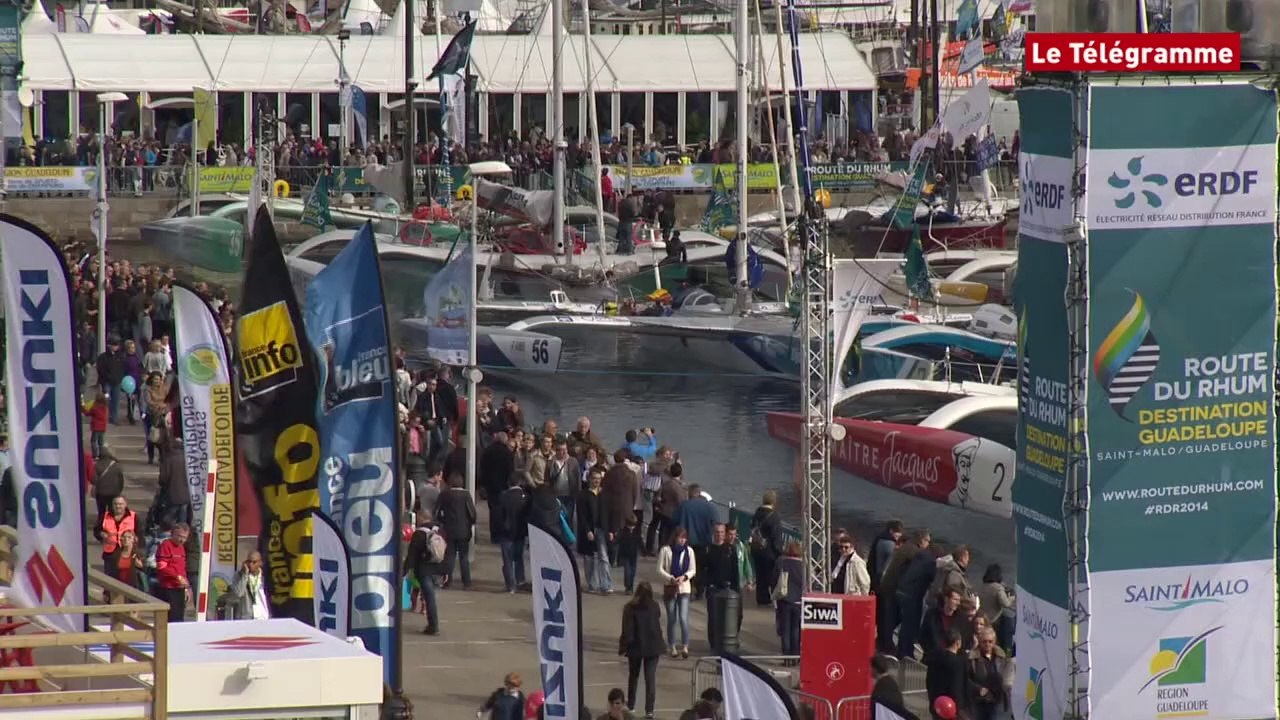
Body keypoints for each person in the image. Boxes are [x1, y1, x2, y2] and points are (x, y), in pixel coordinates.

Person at [879, 529, 931, 654]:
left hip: (889, 587)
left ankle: (885, 645)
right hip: (896, 590)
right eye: (927, 541)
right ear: (921, 540)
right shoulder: (913, 551)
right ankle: (898, 649)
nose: (928, 544)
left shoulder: (905, 547)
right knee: (904, 622)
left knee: (891, 620)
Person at [619, 582, 664, 719]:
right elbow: (657, 619)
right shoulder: (654, 606)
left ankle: (631, 706)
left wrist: (623, 646)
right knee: (650, 679)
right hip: (653, 646)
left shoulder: (629, 608)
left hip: (636, 646)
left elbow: (627, 630)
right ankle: (649, 710)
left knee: (633, 677)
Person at [403, 510, 446, 635]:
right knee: (430, 596)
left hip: (424, 570)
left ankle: (433, 626)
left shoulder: (419, 533)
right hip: (437, 568)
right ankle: (433, 624)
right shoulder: (440, 530)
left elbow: (412, 556)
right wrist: (446, 570)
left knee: (429, 597)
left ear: (421, 518)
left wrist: (403, 572)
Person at [656, 527, 696, 658]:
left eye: (684, 538)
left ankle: (685, 646)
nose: (682, 540)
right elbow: (659, 569)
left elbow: (693, 570)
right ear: (675, 538)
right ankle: (672, 646)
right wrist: (670, 578)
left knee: (683, 618)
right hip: (670, 587)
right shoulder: (665, 550)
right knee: (672, 618)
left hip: (684, 588)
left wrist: (684, 577)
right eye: (680, 537)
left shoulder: (689, 551)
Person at [672, 485, 715, 600]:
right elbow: (715, 522)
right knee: (701, 566)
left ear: (689, 493)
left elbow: (674, 520)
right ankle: (700, 590)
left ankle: (688, 589)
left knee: (687, 566)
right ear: (699, 493)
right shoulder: (709, 506)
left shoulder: (684, 505)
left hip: (687, 540)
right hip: (704, 541)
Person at [436, 474, 477, 589]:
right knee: (464, 557)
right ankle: (466, 582)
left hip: (449, 529)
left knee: (450, 556)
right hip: (464, 530)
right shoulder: (466, 495)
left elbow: (437, 511)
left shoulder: (444, 494)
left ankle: (448, 581)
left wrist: (443, 521)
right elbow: (472, 514)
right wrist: (470, 523)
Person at [578, 468, 613, 594]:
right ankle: (592, 584)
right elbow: (581, 516)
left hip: (602, 529)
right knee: (589, 558)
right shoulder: (583, 495)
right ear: (589, 479)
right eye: (594, 478)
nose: (597, 481)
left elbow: (609, 513)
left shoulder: (605, 495)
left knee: (603, 557)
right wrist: (587, 530)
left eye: (599, 479)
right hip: (589, 530)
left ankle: (606, 585)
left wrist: (611, 530)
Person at [493, 475, 529, 594]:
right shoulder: (525, 497)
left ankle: (510, 585)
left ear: (509, 483)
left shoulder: (503, 496)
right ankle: (520, 580)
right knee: (518, 557)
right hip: (520, 531)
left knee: (507, 560)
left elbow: (498, 515)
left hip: (506, 533)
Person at [748, 490, 784, 607]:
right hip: (769, 552)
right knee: (771, 576)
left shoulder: (757, 513)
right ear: (774, 501)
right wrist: (779, 552)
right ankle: (772, 599)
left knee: (760, 574)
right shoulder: (774, 516)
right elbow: (776, 537)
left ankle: (761, 598)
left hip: (756, 548)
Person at [967, 628, 1011, 720]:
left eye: (990, 641)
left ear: (994, 642)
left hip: (998, 700)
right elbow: (965, 679)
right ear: (979, 641)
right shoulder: (972, 659)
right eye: (984, 641)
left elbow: (1006, 675)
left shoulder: (1001, 656)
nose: (987, 644)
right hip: (980, 702)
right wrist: (978, 689)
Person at [772, 541, 804, 663]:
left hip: (784, 600)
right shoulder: (804, 565)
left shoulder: (781, 562)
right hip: (799, 601)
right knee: (796, 630)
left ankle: (786, 658)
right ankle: (795, 656)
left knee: (785, 630)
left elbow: (774, 579)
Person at [926, 630, 969, 720]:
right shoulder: (958, 663)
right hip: (950, 708)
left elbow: (929, 682)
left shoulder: (934, 659)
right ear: (958, 642)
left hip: (936, 704)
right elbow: (956, 687)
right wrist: (959, 709)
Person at [155, 523, 191, 623]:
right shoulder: (165, 545)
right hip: (168, 588)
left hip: (180, 588)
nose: (182, 540)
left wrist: (187, 588)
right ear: (172, 534)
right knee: (171, 619)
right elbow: (162, 567)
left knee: (179, 618)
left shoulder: (181, 547)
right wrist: (178, 577)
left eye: (184, 537)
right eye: (179, 536)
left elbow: (182, 569)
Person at [976, 564, 1015, 653]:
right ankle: (1007, 652)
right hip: (995, 619)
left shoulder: (982, 586)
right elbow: (1005, 603)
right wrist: (1011, 598)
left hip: (983, 617)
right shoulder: (998, 588)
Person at [95, 495, 136, 576]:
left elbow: (140, 535)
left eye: (120, 504)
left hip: (127, 553)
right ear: (112, 505)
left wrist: (137, 553)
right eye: (115, 504)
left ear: (125, 504)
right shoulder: (105, 516)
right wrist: (101, 534)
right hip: (110, 554)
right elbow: (96, 531)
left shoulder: (134, 516)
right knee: (109, 579)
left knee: (125, 577)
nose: (118, 506)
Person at [224, 552, 270, 620]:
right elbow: (239, 593)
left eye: (254, 562)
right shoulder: (239, 576)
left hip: (263, 617)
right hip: (246, 617)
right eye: (249, 562)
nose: (251, 565)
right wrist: (244, 574)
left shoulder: (265, 577)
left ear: (260, 563)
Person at [90, 449, 126, 527]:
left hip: (101, 493)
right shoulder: (116, 465)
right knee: (112, 510)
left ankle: (101, 525)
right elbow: (121, 480)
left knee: (101, 511)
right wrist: (119, 490)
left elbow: (94, 480)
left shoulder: (97, 465)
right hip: (114, 492)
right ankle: (112, 526)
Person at [83, 391, 110, 459]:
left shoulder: (95, 408)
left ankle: (95, 455)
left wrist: (83, 408)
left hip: (96, 427)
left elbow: (87, 413)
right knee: (101, 442)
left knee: (93, 441)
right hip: (103, 427)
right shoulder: (105, 408)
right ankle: (101, 454)